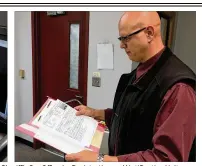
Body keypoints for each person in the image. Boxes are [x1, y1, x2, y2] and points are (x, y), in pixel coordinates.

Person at [65, 11, 195, 162]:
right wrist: (94, 113)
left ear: (149, 33)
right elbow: (131, 116)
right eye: (121, 39)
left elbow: (166, 159)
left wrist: (101, 160)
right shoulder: (138, 73)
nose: (121, 45)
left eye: (126, 38)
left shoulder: (179, 88)